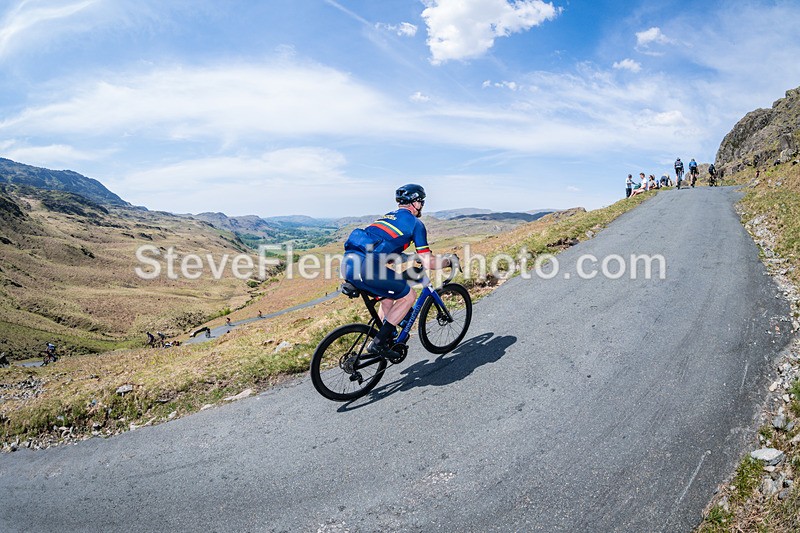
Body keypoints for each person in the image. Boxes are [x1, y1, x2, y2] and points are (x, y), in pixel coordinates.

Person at [341, 184, 451, 357]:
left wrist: (407, 257)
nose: (422, 206)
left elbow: (383, 249)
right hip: (367, 267)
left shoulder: (387, 217)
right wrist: (448, 261)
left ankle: (387, 335)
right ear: (415, 202)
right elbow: (429, 263)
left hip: (348, 263)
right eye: (421, 202)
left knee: (389, 296)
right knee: (408, 296)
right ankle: (378, 344)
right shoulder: (416, 224)